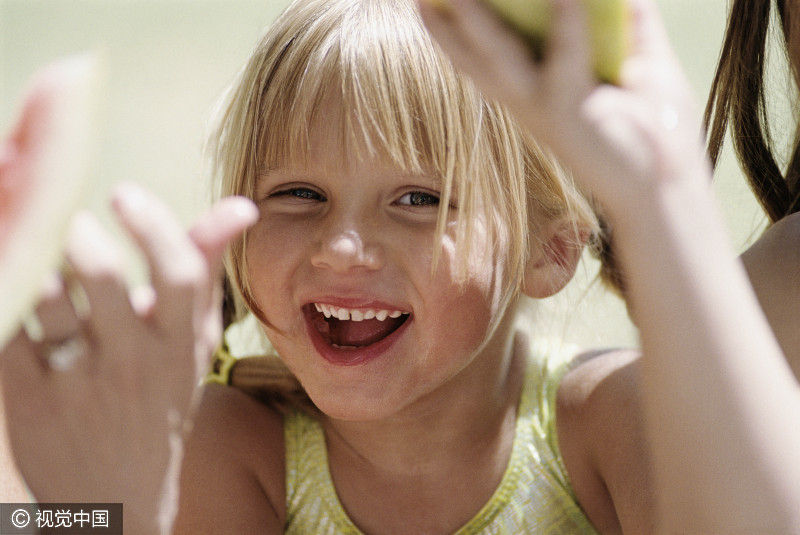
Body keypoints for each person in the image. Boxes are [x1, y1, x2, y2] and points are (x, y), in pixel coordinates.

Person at [417, 0, 800, 532]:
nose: (344, 249)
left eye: (420, 200)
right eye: (300, 193)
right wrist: (659, 194)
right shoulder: (777, 298)